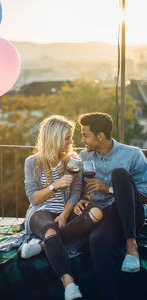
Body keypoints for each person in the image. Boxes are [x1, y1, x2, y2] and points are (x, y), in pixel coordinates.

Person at [22, 115, 103, 300]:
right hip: (40, 212)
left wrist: (65, 214)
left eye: (70, 137)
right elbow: (34, 198)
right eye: (67, 137)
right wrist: (54, 185)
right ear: (54, 138)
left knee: (97, 213)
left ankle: (43, 246)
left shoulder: (73, 160)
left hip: (65, 211)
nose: (70, 142)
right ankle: (69, 283)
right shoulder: (32, 162)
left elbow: (75, 192)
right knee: (50, 229)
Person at [76, 112, 147, 300]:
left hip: (132, 214)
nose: (81, 139)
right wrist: (82, 199)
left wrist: (109, 189)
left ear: (100, 136)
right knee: (96, 240)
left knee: (119, 174)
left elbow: (145, 196)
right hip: (105, 215)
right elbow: (82, 189)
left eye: (85, 135)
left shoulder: (132, 154)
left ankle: (131, 246)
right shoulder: (84, 156)